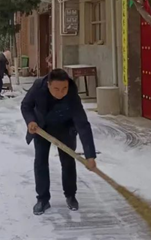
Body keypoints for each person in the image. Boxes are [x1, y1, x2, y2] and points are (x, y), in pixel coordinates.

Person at [21, 69, 97, 216]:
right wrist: (31, 121)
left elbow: (82, 124)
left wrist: (90, 156)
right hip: (41, 128)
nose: (61, 93)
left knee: (68, 162)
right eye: (56, 89)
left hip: (65, 128)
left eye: (64, 88)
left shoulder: (72, 94)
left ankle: (70, 195)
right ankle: (42, 199)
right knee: (41, 162)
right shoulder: (38, 86)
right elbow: (26, 106)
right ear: (48, 85)